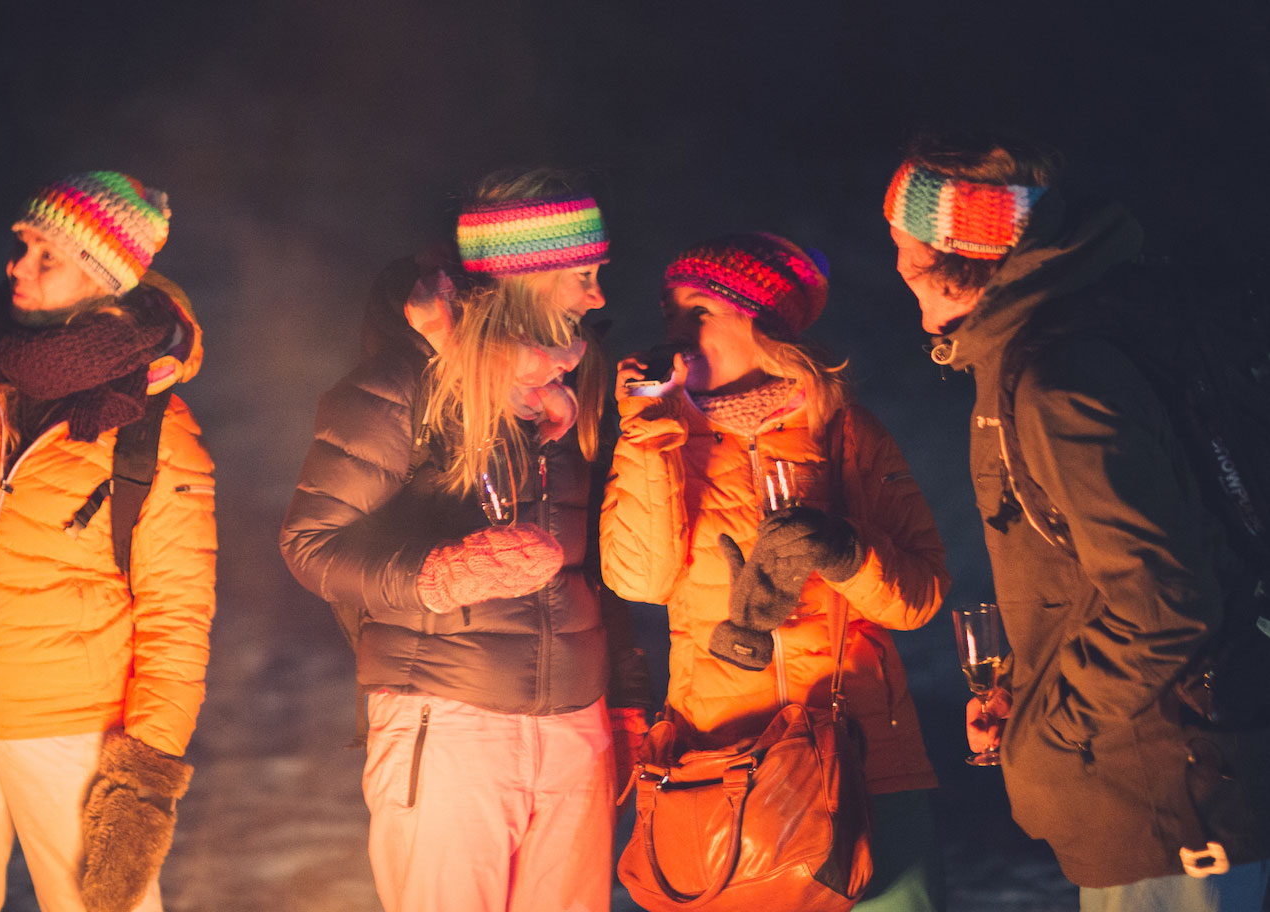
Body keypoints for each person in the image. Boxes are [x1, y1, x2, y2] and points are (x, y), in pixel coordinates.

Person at [883, 131, 1270, 910]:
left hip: (1167, 798)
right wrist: (1029, 696)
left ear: (957, 257)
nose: (895, 267)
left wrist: (1046, 733)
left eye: (903, 244)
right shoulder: (1059, 348)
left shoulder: (1060, 382)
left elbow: (1162, 602)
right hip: (1154, 780)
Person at [279, 169, 650, 912]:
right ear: (527, 278)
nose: (599, 296)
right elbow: (311, 545)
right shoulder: (406, 384)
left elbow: (599, 567)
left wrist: (628, 698)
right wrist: (440, 574)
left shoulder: (583, 391)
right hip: (446, 722)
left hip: (577, 727)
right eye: (584, 275)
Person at [0, 171, 216, 912]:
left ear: (103, 282)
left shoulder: (153, 427)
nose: (16, 267)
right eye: (21, 245)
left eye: (46, 255)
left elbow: (177, 616)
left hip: (76, 738)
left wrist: (144, 775)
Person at [602, 233, 951, 911]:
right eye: (670, 315)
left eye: (696, 311)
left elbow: (921, 597)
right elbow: (638, 580)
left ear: (761, 322)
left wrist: (844, 552)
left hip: (869, 759)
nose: (676, 332)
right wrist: (645, 428)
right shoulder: (663, 436)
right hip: (732, 767)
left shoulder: (847, 432)